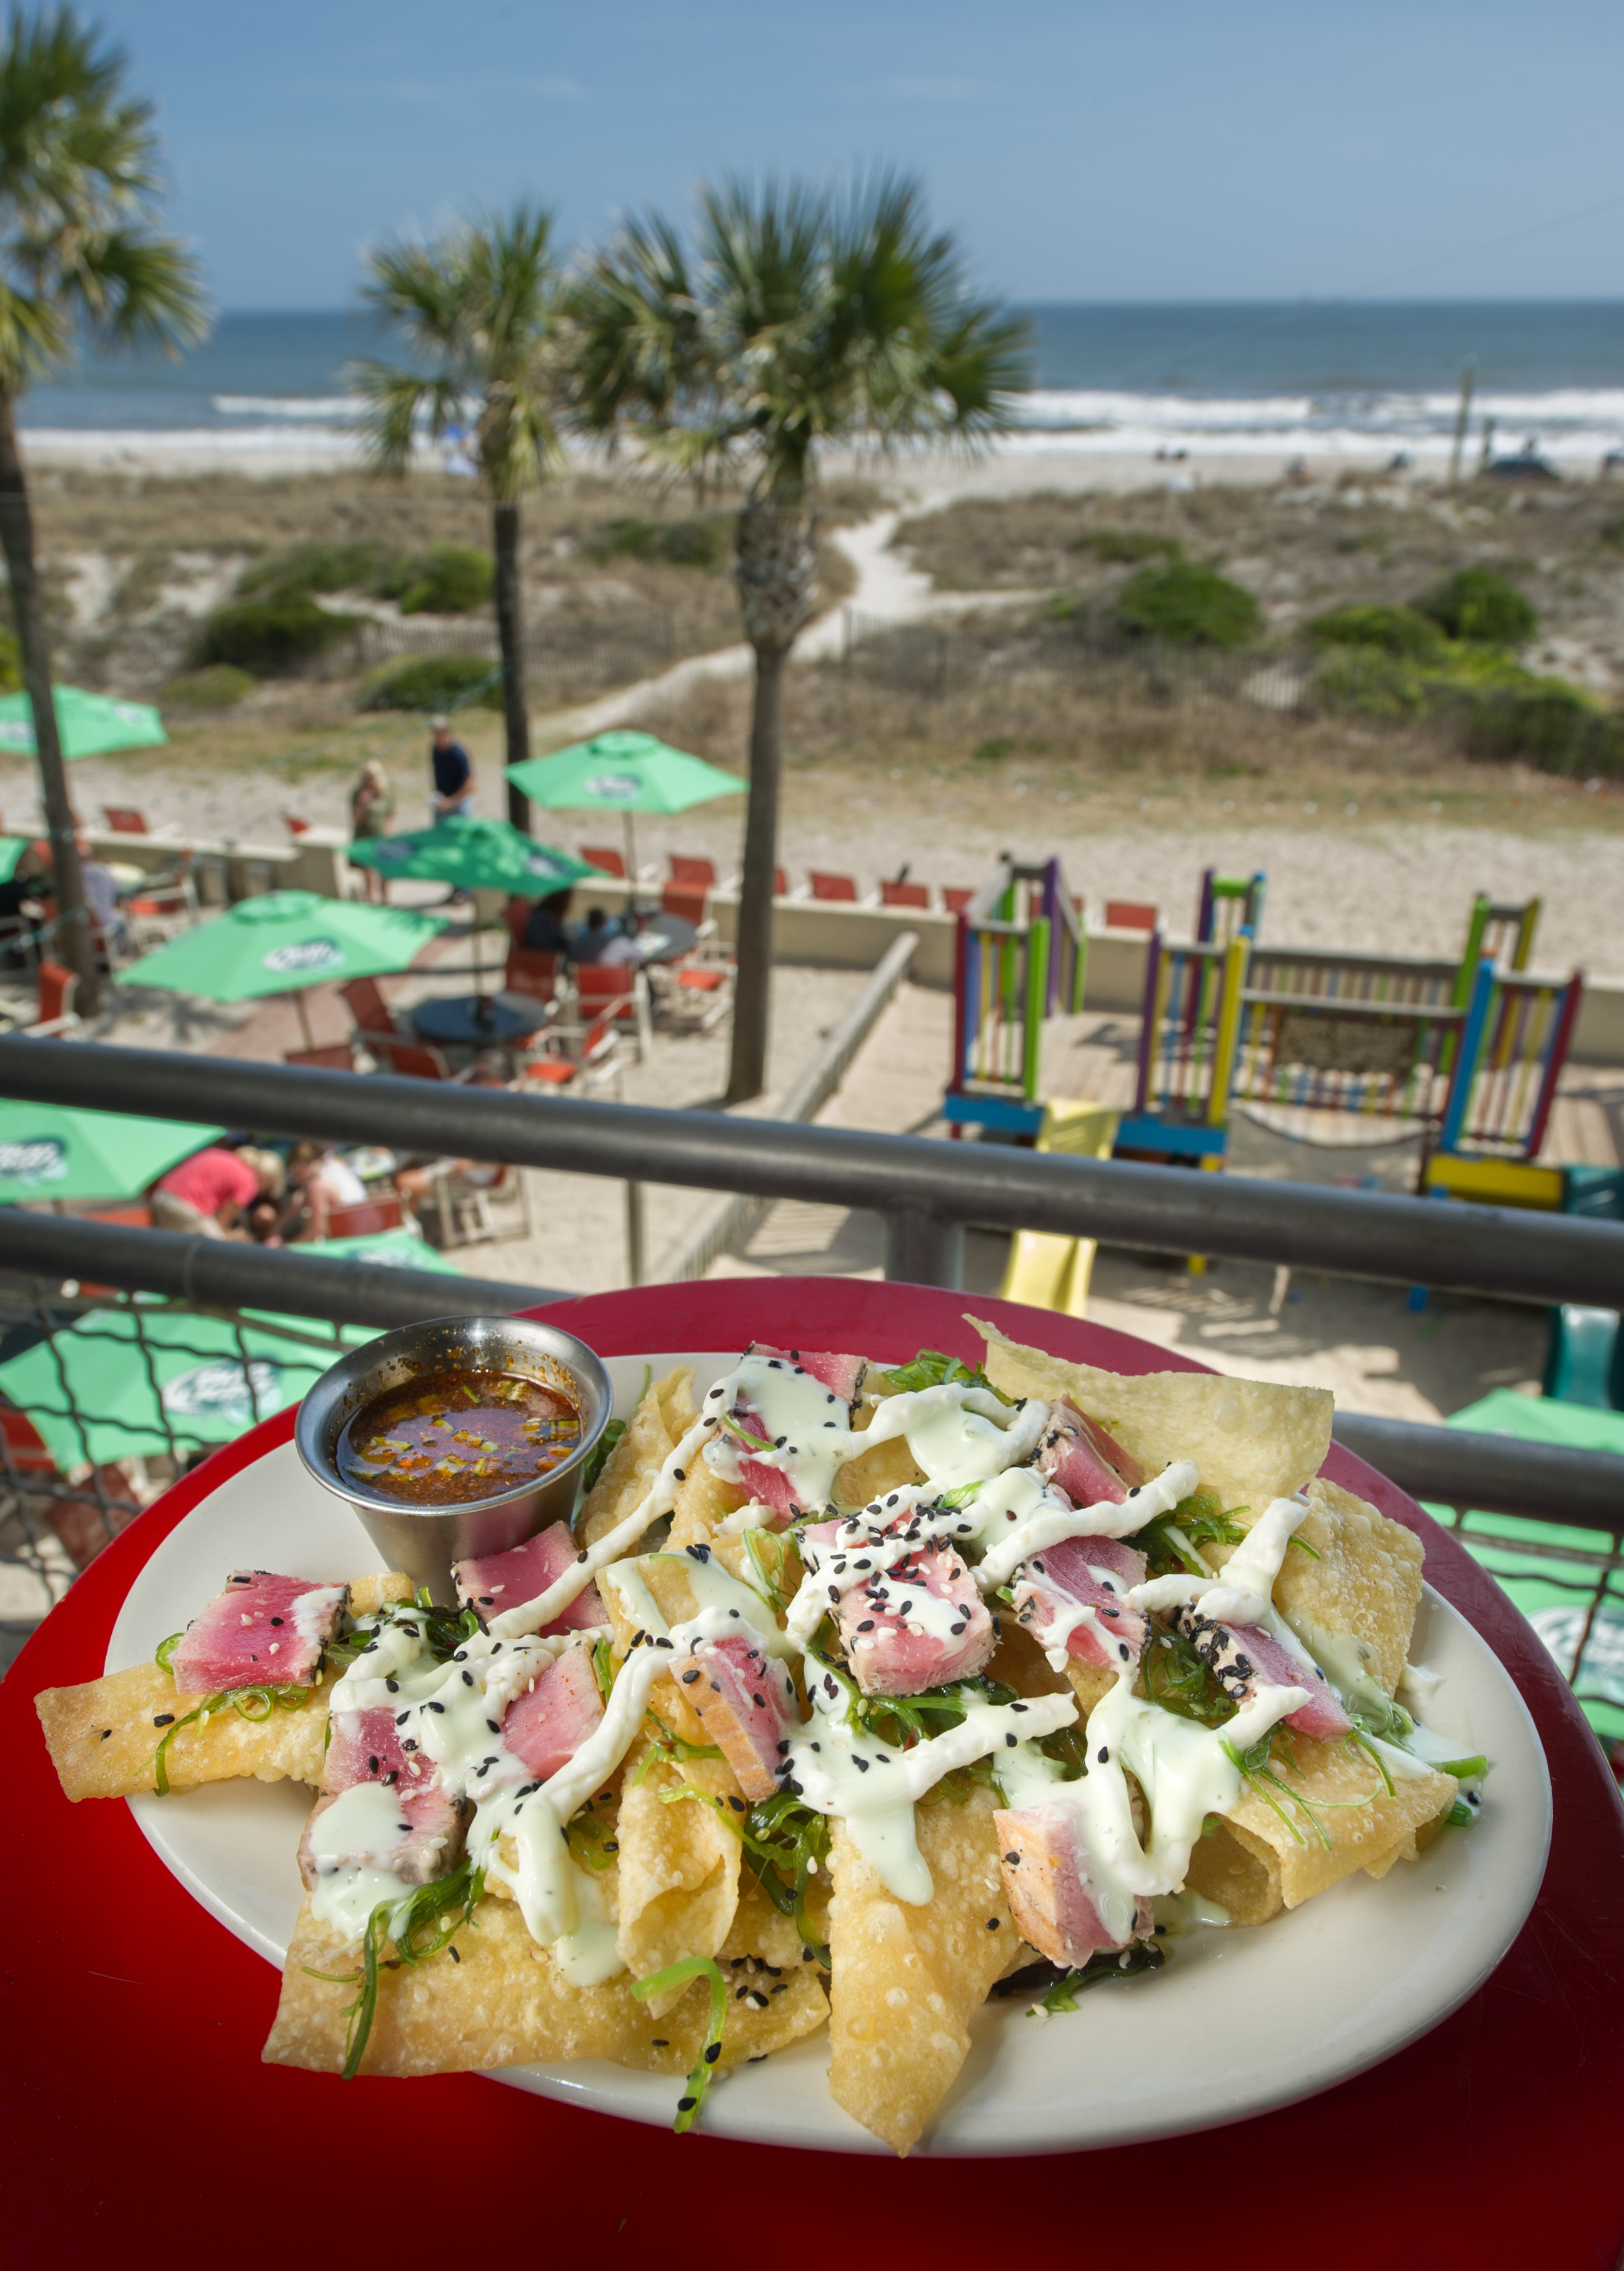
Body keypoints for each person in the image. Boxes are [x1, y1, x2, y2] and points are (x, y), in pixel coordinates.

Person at [152, 1143, 282, 1239]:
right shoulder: (249, 1182)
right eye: (268, 1188)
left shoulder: (227, 1157)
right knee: (217, 1249)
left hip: (162, 1196)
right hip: (185, 1207)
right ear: (265, 1178)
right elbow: (222, 1224)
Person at [286, 1139, 368, 1242]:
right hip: (367, 1226)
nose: (292, 1177)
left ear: (301, 1166)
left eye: (292, 1170)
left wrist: (284, 1249)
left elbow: (316, 1232)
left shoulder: (317, 1187)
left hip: (355, 1235)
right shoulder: (336, 1163)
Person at [351, 760, 394, 903]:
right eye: (366, 777)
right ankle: (370, 900)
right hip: (365, 837)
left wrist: (388, 831)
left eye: (372, 777)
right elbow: (355, 819)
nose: (369, 781)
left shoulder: (385, 792)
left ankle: (386, 900)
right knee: (368, 874)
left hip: (381, 838)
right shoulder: (358, 794)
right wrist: (363, 804)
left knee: (384, 872)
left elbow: (390, 813)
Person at [429, 717, 474, 822]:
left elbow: (470, 784)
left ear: (446, 733)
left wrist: (452, 802)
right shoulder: (435, 750)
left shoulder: (458, 754)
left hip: (459, 803)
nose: (436, 737)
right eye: (435, 734)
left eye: (439, 734)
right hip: (442, 801)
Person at [572, 905, 641, 968]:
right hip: (611, 980)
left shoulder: (578, 944)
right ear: (603, 923)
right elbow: (640, 958)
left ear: (589, 922)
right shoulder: (614, 942)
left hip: (584, 980)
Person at [522, 889, 574, 957]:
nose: (569, 903)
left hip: (547, 958)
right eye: (568, 899)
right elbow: (540, 944)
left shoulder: (555, 918)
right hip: (536, 958)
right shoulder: (542, 916)